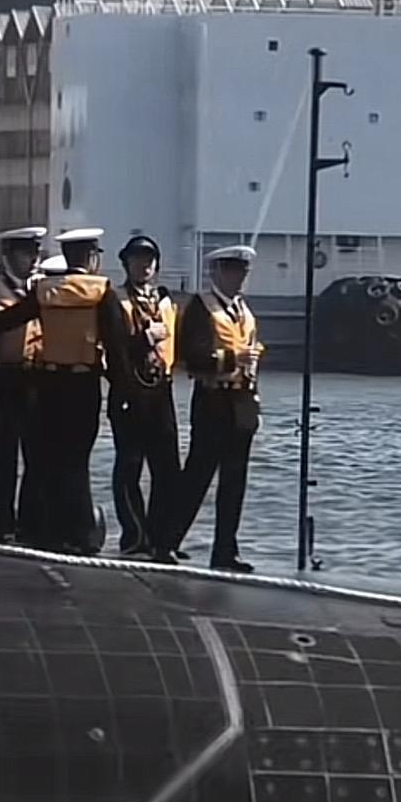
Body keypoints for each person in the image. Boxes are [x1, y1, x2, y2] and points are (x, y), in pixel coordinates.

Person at [0, 227, 130, 555]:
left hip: (49, 384)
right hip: (83, 384)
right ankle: (80, 534)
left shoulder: (45, 291)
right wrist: (122, 393)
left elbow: (3, 322)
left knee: (45, 461)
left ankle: (39, 532)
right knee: (76, 461)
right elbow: (117, 348)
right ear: (92, 258)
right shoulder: (101, 292)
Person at [170, 244, 263, 572]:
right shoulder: (202, 307)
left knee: (235, 480)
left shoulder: (243, 310)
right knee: (198, 475)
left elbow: (251, 352)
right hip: (212, 399)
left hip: (240, 399)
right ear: (218, 272)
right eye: (234, 271)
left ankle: (225, 550)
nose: (240, 278)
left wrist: (254, 398)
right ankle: (169, 540)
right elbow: (193, 356)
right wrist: (233, 358)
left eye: (244, 272)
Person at [0, 225, 46, 542]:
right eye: (26, 252)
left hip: (37, 380)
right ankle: (2, 520)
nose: (33, 259)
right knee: (4, 455)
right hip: (5, 380)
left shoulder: (41, 288)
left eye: (35, 252)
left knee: (36, 455)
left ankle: (29, 522)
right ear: (9, 255)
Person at [108, 234, 181, 560]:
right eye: (138, 259)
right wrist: (144, 338)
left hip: (160, 391)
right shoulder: (116, 299)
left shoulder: (164, 300)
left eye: (150, 260)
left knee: (167, 469)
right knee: (130, 466)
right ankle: (134, 536)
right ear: (126, 264)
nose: (144, 265)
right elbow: (114, 348)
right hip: (129, 391)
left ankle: (159, 538)